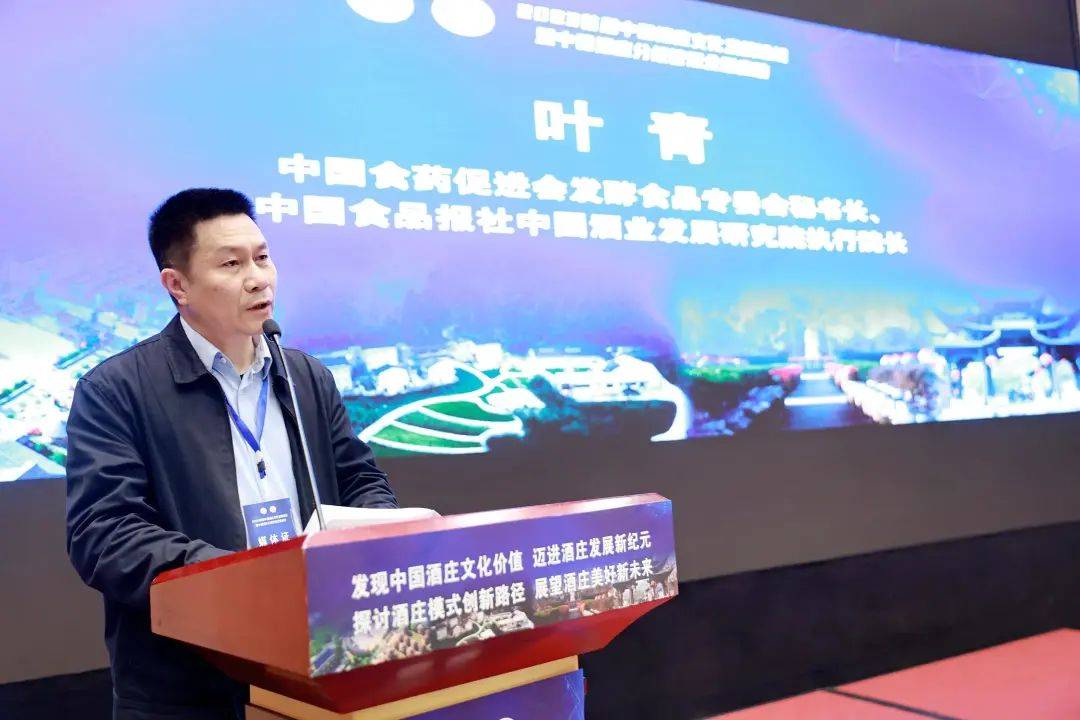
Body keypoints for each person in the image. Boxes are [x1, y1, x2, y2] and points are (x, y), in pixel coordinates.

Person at [65, 188, 397, 720]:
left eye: (262, 257)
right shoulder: (116, 390)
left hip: (316, 667)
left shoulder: (305, 376)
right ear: (177, 285)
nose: (259, 278)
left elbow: (358, 478)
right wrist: (240, 581)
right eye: (231, 264)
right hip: (188, 688)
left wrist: (384, 534)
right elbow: (106, 536)